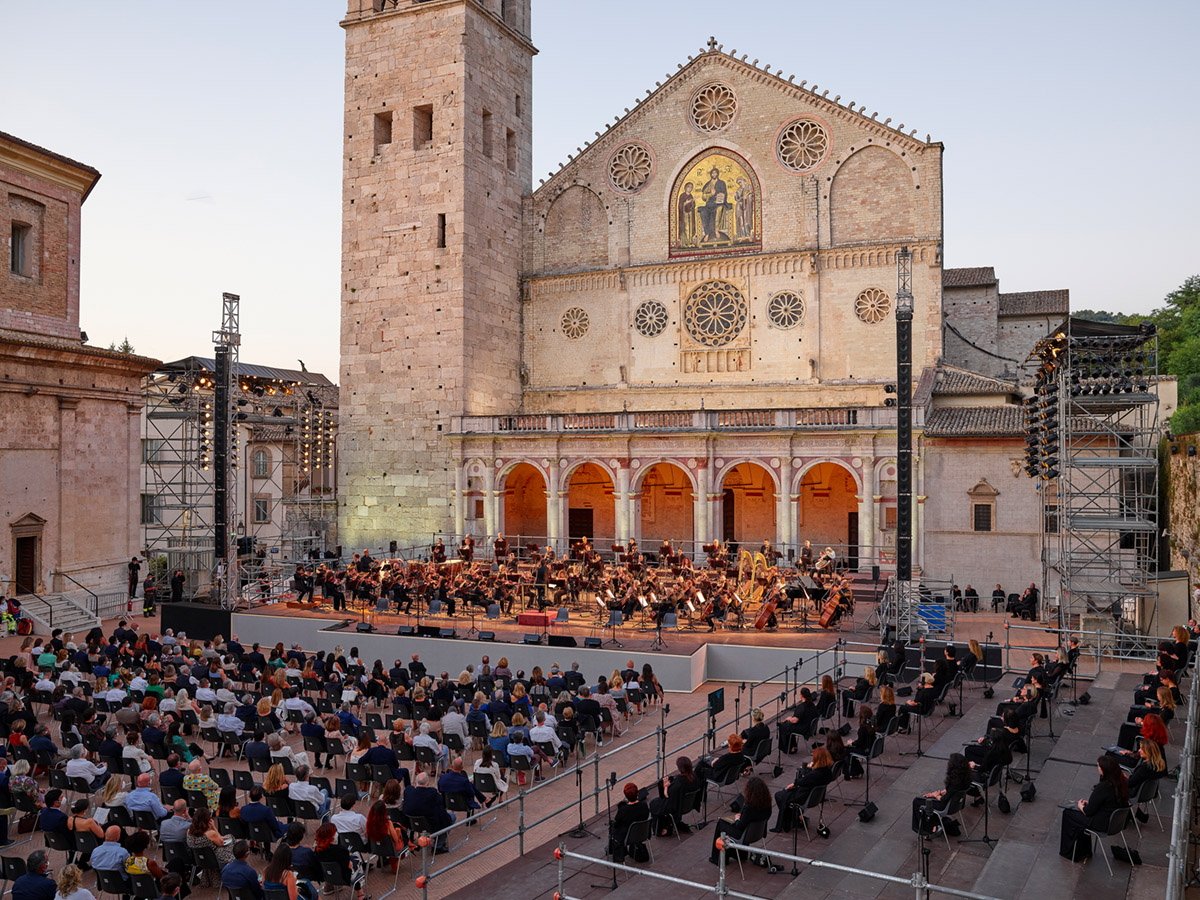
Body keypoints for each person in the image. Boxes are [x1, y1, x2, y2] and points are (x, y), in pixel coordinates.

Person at [1059, 755, 1129, 860]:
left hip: (1102, 823)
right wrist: (1092, 804)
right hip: (1114, 822)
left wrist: (1080, 806)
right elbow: (1109, 803)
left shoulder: (1103, 787)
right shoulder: (1121, 782)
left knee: (1068, 813)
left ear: (1104, 770)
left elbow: (1088, 812)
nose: (1098, 769)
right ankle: (1085, 851)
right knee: (1077, 815)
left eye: (1099, 767)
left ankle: (1069, 853)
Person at [709, 776, 772, 864]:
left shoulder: (749, 808)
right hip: (758, 833)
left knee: (721, 823)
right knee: (728, 824)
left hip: (743, 835)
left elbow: (740, 827)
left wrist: (738, 818)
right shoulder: (767, 805)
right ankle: (740, 854)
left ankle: (717, 858)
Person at [771, 747, 835, 832]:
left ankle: (794, 819)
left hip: (804, 796)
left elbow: (799, 781)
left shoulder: (814, 775)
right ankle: (796, 818)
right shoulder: (827, 772)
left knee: (779, 795)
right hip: (815, 796)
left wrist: (804, 770)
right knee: (784, 795)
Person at [911, 753, 972, 833]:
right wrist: (935, 794)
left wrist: (936, 795)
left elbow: (943, 799)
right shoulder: (964, 778)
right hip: (956, 804)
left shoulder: (955, 782)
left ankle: (924, 829)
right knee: (928, 799)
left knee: (917, 801)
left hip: (945, 806)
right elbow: (949, 791)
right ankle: (934, 824)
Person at [312, 822, 365, 900]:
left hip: (328, 877)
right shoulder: (340, 850)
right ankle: (360, 893)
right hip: (345, 878)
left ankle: (329, 886)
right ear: (331, 836)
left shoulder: (317, 850)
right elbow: (349, 866)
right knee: (356, 858)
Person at [649, 756, 697, 836]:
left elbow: (667, 795)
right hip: (687, 805)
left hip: (676, 807)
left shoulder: (678, 783)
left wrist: (666, 787)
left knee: (653, 804)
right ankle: (669, 822)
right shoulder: (694, 777)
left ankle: (661, 829)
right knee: (658, 803)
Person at [186, 807, 233, 888]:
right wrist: (214, 827)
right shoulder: (210, 833)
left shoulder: (189, 831)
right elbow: (221, 842)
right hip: (215, 859)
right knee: (231, 838)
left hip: (199, 859)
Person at [608, 783, 650, 864]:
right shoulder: (644, 805)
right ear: (637, 794)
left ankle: (617, 851)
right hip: (642, 833)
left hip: (628, 837)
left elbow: (617, 823)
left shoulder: (624, 810)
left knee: (612, 828)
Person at [364, 802, 407, 872]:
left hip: (376, 849)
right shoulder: (388, 823)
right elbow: (396, 839)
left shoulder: (369, 824)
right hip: (390, 850)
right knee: (402, 837)